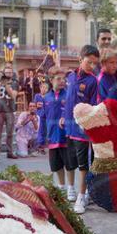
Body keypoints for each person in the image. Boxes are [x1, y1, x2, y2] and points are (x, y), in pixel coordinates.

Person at [61, 45, 99, 214]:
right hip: (68, 127)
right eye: (89, 62)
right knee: (70, 162)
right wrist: (63, 115)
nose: (91, 66)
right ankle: (71, 189)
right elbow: (67, 99)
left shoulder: (93, 81)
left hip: (82, 131)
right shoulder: (69, 76)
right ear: (80, 58)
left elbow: (93, 107)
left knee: (84, 165)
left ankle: (82, 197)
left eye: (94, 63)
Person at [37, 67, 77, 195]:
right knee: (57, 165)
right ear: (50, 80)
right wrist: (41, 138)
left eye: (63, 79)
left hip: (66, 135)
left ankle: (71, 187)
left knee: (69, 163)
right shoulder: (46, 98)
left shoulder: (69, 95)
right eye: (58, 79)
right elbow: (42, 119)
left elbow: (74, 112)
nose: (61, 81)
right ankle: (61, 186)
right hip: (52, 136)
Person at [0, 67, 19, 160]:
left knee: (9, 133)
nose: (8, 74)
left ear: (12, 74)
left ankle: (10, 152)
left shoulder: (15, 83)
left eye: (10, 72)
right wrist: (0, 83)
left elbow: (13, 95)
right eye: (6, 72)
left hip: (10, 110)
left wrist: (7, 84)